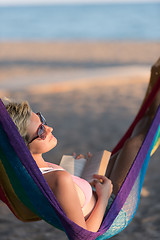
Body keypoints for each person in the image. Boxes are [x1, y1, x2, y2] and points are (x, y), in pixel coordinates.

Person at [3, 57, 160, 232]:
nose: (49, 128)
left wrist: (77, 170)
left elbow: (65, 193)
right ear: (21, 145)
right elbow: (84, 236)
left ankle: (155, 101)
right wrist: (104, 195)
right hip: (110, 211)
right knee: (135, 144)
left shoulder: (33, 170)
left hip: (96, 187)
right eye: (40, 131)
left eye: (43, 120)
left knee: (130, 144)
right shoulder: (57, 179)